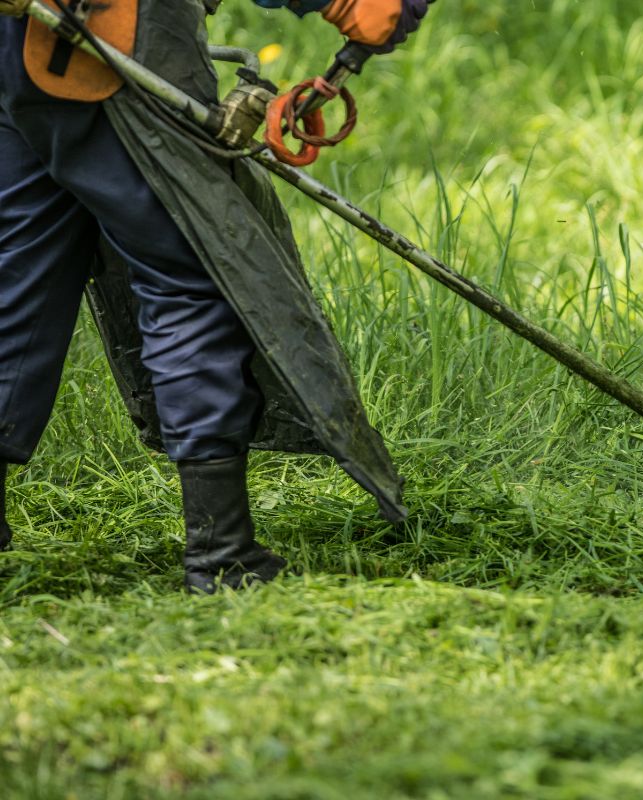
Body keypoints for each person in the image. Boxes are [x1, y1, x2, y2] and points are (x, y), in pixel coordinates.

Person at [0, 0, 433, 592]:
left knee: (21, 274)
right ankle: (221, 554)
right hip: (102, 32)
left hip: (18, 48)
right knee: (194, 277)